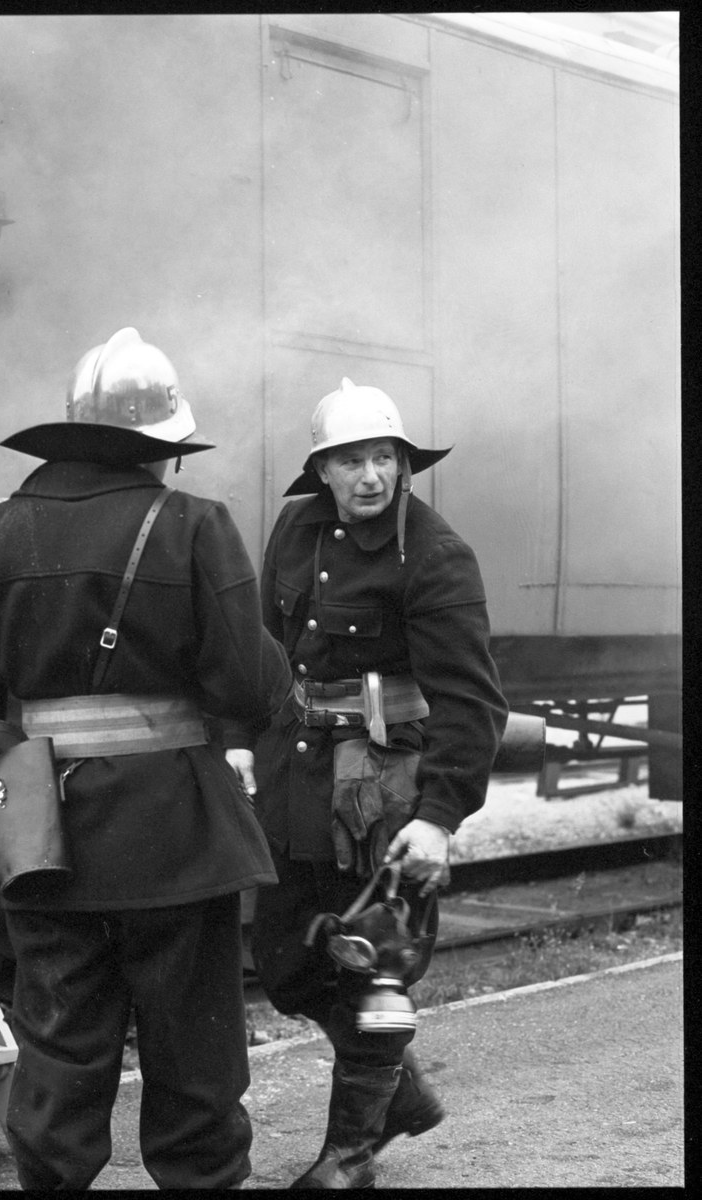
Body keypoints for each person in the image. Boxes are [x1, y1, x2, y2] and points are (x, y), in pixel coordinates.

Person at [0, 327, 291, 1190]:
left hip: (43, 837)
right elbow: (244, 684)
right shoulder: (196, 526)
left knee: (57, 1056)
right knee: (195, 1062)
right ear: (164, 446)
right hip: (179, 838)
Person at [243, 378, 508, 1189]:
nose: (371, 475)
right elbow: (266, 648)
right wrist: (240, 745)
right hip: (295, 770)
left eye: (385, 457)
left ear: (403, 463)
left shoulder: (434, 554)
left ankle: (349, 1155)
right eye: (352, 459)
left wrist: (438, 818)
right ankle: (397, 1088)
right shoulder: (294, 528)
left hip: (384, 786)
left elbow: (472, 703)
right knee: (287, 960)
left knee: (375, 959)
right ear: (322, 468)